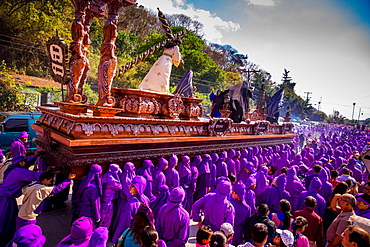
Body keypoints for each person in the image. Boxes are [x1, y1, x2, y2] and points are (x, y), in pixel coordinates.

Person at [0, 156, 42, 246]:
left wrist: (36, 155)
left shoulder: (13, 168)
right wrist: (53, 173)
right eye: (24, 162)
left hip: (4, 196)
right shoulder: (19, 172)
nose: (25, 163)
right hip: (5, 199)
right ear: (20, 163)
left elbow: (28, 162)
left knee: (9, 219)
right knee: (5, 221)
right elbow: (35, 175)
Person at [113, 175, 150, 243]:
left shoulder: (131, 204)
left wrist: (117, 239)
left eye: (132, 186)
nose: (129, 187)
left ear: (138, 188)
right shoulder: (146, 199)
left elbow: (124, 223)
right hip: (141, 234)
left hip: (131, 235)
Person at [231, 181, 252, 245]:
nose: (231, 193)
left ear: (237, 194)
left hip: (228, 231)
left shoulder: (229, 203)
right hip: (238, 233)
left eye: (233, 192)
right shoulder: (247, 208)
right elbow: (247, 224)